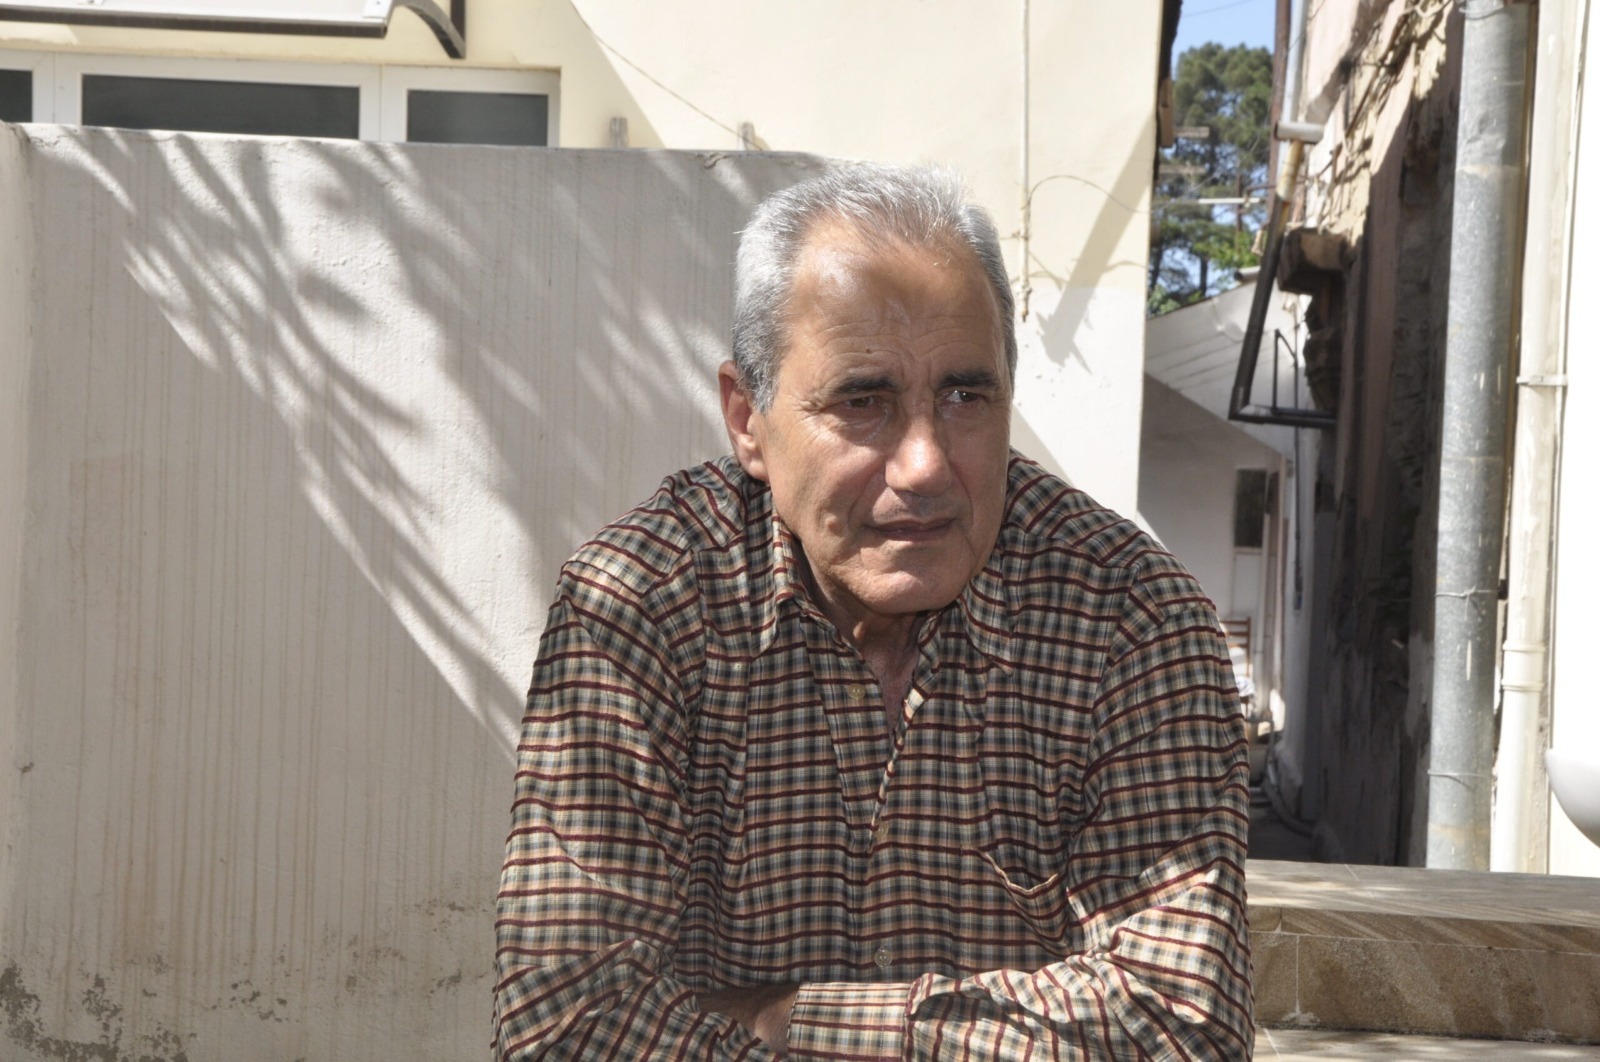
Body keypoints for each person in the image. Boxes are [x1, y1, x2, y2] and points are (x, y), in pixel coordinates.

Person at [493, 164, 1253, 1059]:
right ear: (748, 421)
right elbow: (565, 1027)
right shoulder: (642, 609)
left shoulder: (1131, 622)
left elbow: (1182, 1029)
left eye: (965, 396)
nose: (925, 464)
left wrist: (783, 1018)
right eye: (864, 401)